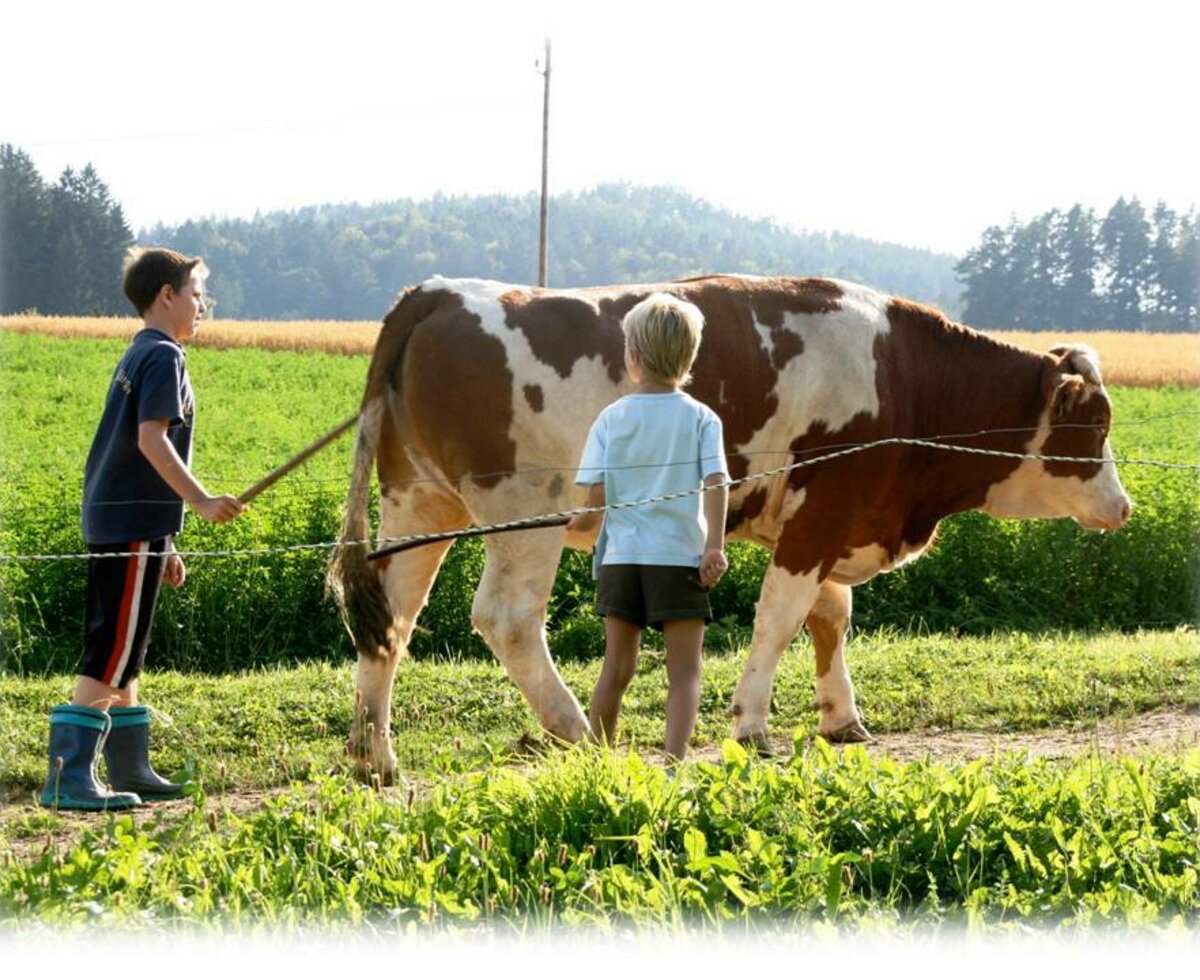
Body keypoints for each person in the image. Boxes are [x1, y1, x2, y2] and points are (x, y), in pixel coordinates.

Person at [40, 247, 244, 811]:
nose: (202, 306)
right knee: (112, 649)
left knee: (128, 651)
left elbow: (134, 448)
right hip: (130, 521)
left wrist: (167, 538)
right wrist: (200, 501)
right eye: (197, 294)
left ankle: (130, 767)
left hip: (132, 521)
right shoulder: (164, 357)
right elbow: (151, 440)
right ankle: (66, 775)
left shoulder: (140, 353)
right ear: (167, 295)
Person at [566, 293, 729, 762]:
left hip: (621, 560)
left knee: (616, 668)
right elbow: (716, 481)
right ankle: (674, 768)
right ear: (688, 357)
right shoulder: (701, 417)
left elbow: (594, 502)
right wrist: (713, 547)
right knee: (684, 674)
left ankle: (595, 765)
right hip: (678, 559)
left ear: (632, 356)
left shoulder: (610, 419)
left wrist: (581, 519)